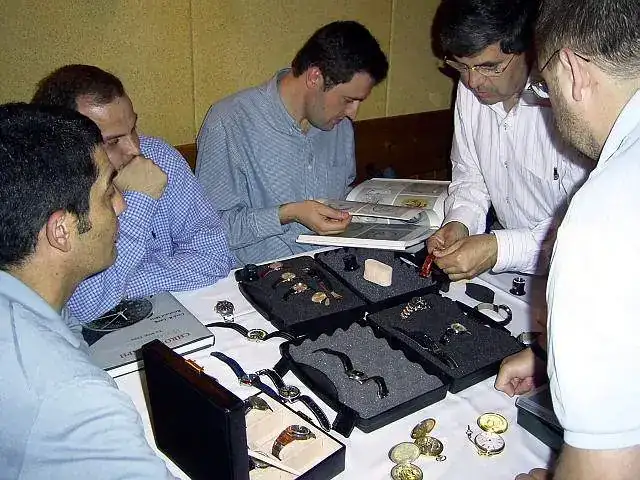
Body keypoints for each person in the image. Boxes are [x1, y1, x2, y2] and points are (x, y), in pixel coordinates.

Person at [498, 0, 640, 478]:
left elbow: (608, 469)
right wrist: (551, 358)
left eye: (545, 84)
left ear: (574, 72)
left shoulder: (607, 208)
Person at [0, 103, 175, 478]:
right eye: (108, 190)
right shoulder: (74, 397)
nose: (121, 204)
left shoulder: (28, 294)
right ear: (61, 230)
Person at [32, 65, 235, 322]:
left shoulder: (160, 157)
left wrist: (118, 287)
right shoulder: (45, 189)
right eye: (113, 141)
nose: (135, 149)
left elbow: (216, 256)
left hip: (173, 311)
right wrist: (141, 199)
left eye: (133, 129)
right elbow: (83, 306)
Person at [195, 21, 389, 265]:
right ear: (315, 77)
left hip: (333, 265)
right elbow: (208, 231)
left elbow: (341, 194)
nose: (353, 114)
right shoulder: (229, 122)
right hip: (262, 276)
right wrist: (287, 214)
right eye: (348, 100)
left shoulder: (339, 126)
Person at [427, 0, 591, 281]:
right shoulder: (471, 89)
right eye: (462, 66)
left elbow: (583, 228)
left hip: (577, 273)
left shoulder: (570, 103)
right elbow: (470, 176)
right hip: (509, 267)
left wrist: (500, 249)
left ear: (529, 49)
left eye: (489, 66)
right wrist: (460, 222)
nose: (473, 82)